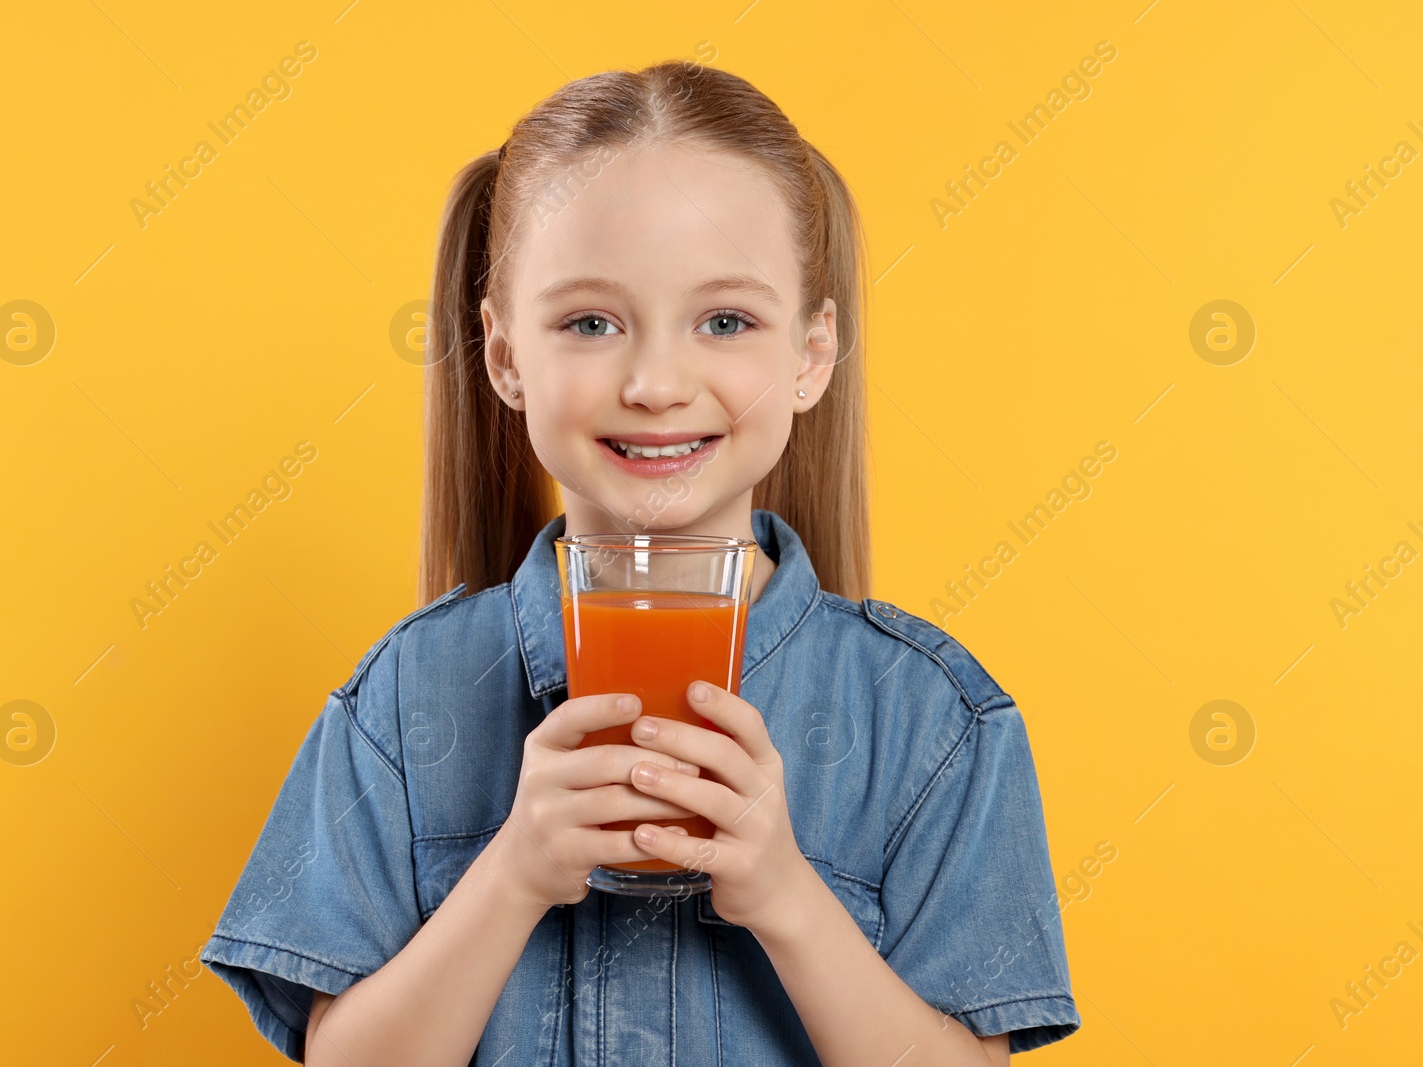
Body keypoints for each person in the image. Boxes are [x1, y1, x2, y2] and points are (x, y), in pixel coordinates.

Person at [201, 59, 1080, 1065]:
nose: (657, 382)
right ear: (503, 356)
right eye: (589, 322)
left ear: (810, 353)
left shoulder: (931, 722)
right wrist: (512, 875)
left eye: (724, 321)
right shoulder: (404, 700)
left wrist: (792, 901)